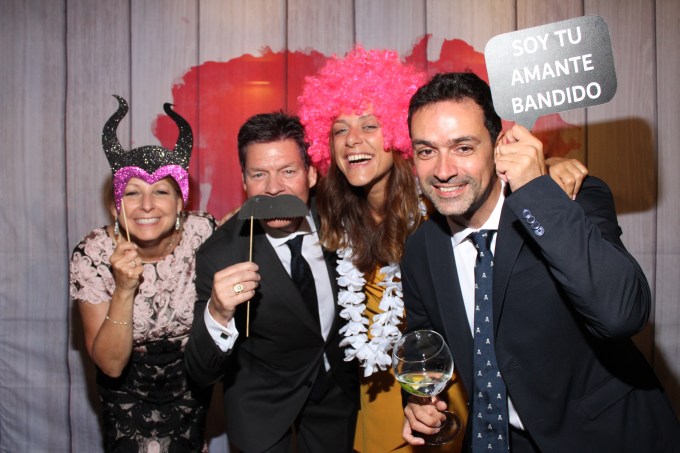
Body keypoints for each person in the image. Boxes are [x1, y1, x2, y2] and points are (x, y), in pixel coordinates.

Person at [297, 47, 589, 453]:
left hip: (458, 392)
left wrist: (552, 166)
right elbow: (277, 202)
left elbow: (490, 183)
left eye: (370, 125)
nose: (352, 141)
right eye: (339, 129)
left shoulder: (442, 198)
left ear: (399, 135)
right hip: (379, 398)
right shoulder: (331, 215)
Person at [400, 72, 680, 452]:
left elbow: (622, 314)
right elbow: (425, 345)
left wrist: (536, 191)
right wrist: (418, 400)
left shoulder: (570, 197)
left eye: (463, 147)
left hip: (607, 439)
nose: (443, 170)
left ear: (499, 146)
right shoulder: (420, 249)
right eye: (426, 151)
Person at [184, 111, 359, 453]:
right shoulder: (220, 254)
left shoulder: (341, 219)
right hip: (262, 406)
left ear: (311, 174)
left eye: (288, 171)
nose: (274, 188)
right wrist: (217, 313)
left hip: (334, 396)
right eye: (259, 174)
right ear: (244, 180)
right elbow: (200, 372)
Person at [70, 95, 216, 452]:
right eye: (133, 193)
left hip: (191, 392)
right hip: (125, 394)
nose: (147, 206)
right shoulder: (93, 254)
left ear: (181, 203)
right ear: (115, 207)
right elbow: (110, 365)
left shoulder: (204, 235)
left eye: (161, 192)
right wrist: (123, 289)